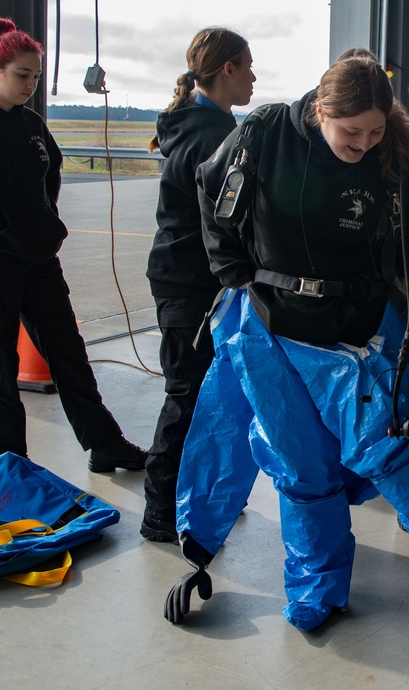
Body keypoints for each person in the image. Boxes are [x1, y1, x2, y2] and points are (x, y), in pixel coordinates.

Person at [165, 55, 409, 647]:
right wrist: (230, 268)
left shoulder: (392, 154)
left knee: (382, 451)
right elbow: (211, 188)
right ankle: (316, 590)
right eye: (350, 132)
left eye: (375, 131)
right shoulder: (264, 132)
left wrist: (400, 252)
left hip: (355, 335)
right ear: (320, 110)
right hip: (270, 331)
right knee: (298, 467)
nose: (362, 143)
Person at [0, 17, 146, 472]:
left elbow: (49, 169)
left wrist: (44, 219)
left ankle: (104, 444)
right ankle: (11, 463)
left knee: (68, 354)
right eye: (22, 75)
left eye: (36, 77)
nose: (31, 85)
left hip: (37, 260)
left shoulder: (30, 123)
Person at [141, 28, 255, 543]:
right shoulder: (211, 137)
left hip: (192, 281)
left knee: (208, 396)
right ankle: (160, 511)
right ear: (226, 69)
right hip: (188, 285)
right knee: (187, 395)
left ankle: (201, 496)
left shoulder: (210, 124)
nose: (254, 77)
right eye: (247, 67)